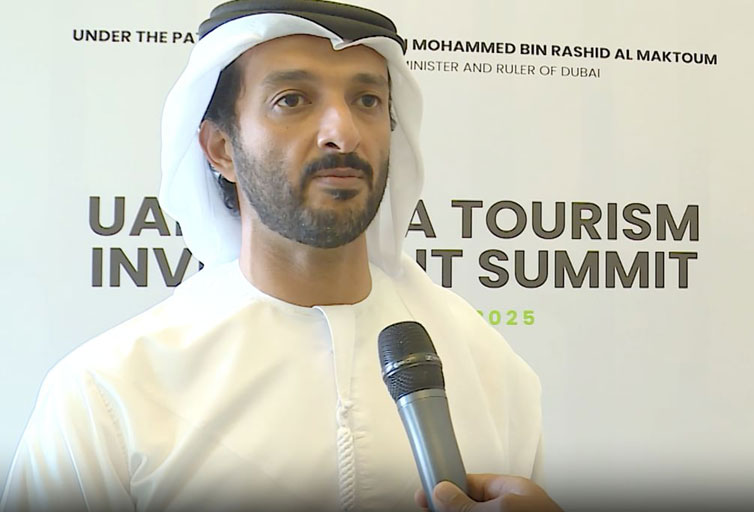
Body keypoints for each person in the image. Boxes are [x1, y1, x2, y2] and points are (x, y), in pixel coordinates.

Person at [2, 1, 560, 511]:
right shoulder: (110, 390)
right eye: (292, 100)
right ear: (221, 148)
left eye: (367, 101)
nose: (343, 132)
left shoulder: (488, 367)